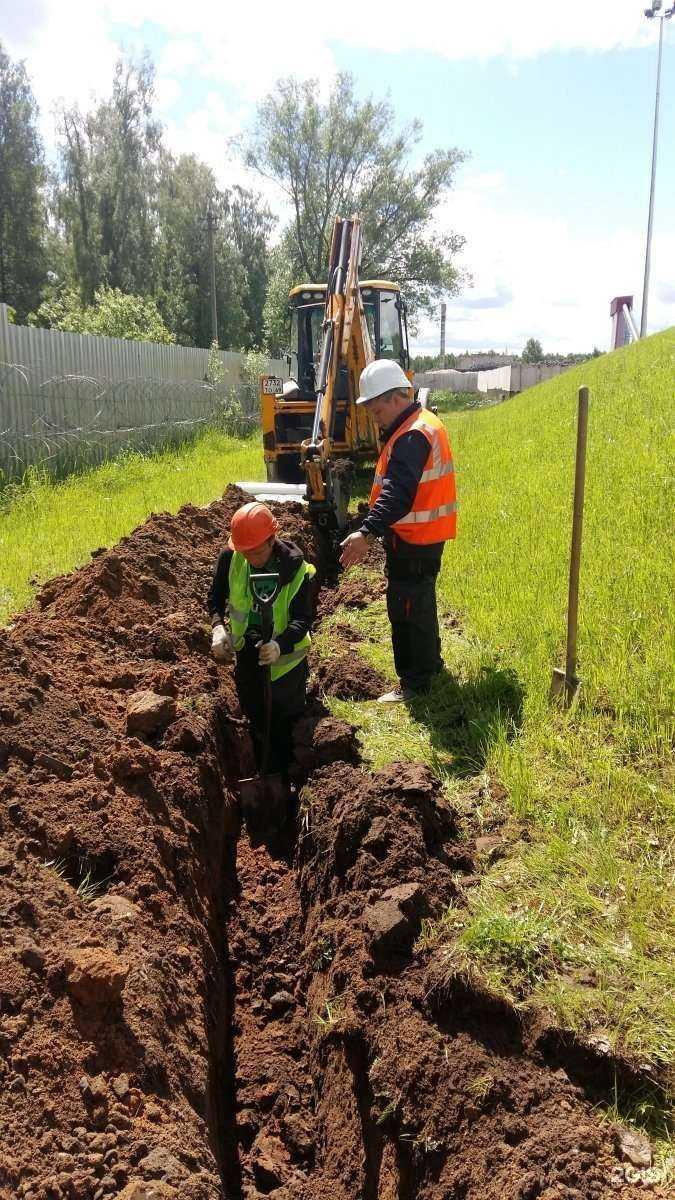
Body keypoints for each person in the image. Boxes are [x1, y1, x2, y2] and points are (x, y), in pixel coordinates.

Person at [340, 359, 456, 703]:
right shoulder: (422, 424)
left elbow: (398, 494)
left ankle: (415, 685)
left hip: (414, 540)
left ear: (394, 399)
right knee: (419, 604)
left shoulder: (410, 436)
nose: (376, 419)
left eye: (377, 411)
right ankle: (430, 667)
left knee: (406, 609)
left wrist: (367, 532)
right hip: (422, 538)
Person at [208, 501, 315, 774]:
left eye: (256, 552)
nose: (250, 558)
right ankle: (260, 769)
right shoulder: (231, 558)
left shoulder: (297, 570)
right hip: (248, 656)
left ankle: (288, 777)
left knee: (284, 723)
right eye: (244, 552)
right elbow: (215, 598)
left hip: (287, 664)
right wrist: (218, 627)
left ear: (272, 540)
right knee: (255, 718)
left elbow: (303, 619)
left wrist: (280, 644)